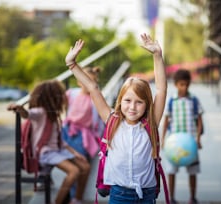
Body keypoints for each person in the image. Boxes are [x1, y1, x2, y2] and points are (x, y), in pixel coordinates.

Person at [64, 33, 167, 203]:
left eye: (139, 102)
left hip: (147, 194)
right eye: (128, 100)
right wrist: (71, 64)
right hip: (119, 193)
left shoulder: (151, 122)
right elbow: (92, 88)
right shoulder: (112, 119)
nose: (132, 107)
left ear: (147, 104)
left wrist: (157, 56)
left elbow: (161, 89)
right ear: (120, 101)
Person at [7, 80, 90, 204]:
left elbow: (61, 141)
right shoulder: (40, 112)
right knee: (74, 171)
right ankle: (58, 202)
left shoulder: (54, 116)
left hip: (58, 150)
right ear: (51, 98)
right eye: (59, 95)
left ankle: (76, 199)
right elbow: (27, 114)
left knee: (85, 166)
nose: (63, 98)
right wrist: (19, 108)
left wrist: (74, 153)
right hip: (45, 153)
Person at [62, 66, 105, 200]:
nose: (87, 84)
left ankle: (75, 197)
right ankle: (70, 194)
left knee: (80, 165)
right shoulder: (71, 93)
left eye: (90, 81)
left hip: (83, 137)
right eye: (84, 81)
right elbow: (63, 107)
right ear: (79, 82)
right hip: (68, 131)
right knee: (72, 164)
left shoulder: (95, 98)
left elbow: (100, 119)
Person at [161, 69, 203, 204]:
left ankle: (193, 197)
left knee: (193, 171)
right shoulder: (171, 101)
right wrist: (162, 139)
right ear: (176, 84)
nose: (184, 87)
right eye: (181, 84)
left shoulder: (194, 100)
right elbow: (166, 120)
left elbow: (199, 120)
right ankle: (171, 198)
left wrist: (198, 139)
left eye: (186, 84)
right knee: (171, 171)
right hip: (174, 143)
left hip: (190, 142)